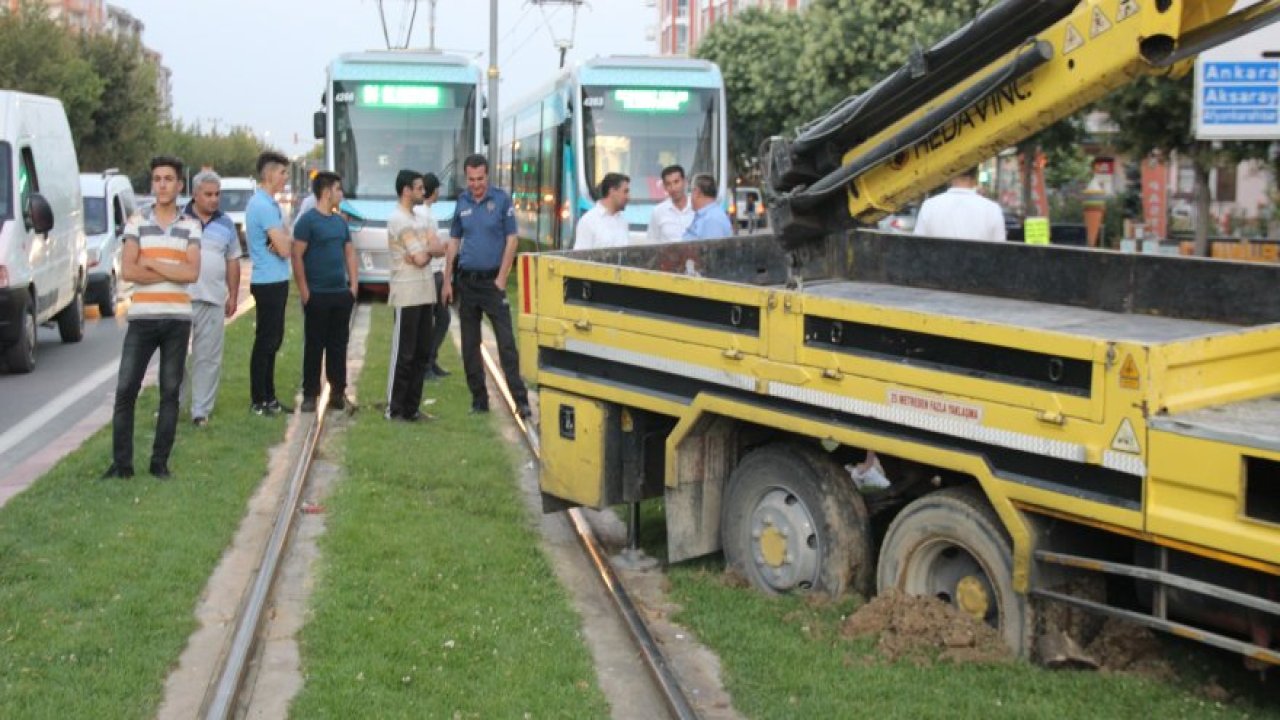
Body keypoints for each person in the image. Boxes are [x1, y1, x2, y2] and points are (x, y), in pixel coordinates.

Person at [103, 156, 201, 480]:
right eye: (157, 179)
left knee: (169, 392)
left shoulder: (190, 226)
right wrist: (169, 269)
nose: (162, 185)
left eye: (168, 179)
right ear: (152, 184)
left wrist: (153, 264)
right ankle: (122, 465)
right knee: (125, 390)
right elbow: (129, 269)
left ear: (179, 185)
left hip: (177, 319)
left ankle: (159, 464)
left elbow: (191, 273)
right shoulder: (136, 222)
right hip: (143, 318)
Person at [443, 153, 531, 418]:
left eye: (480, 179)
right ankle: (479, 401)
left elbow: (512, 240)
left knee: (506, 344)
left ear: (487, 176)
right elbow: (454, 243)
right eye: (471, 179)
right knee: (470, 345)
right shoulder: (461, 202)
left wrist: (502, 277)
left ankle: (521, 400)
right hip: (467, 282)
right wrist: (447, 279)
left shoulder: (501, 200)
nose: (476, 184)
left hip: (493, 283)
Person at [291, 171, 358, 413]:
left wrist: (353, 286)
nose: (341, 194)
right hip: (316, 294)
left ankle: (338, 392)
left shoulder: (340, 222)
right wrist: (305, 291)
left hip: (340, 294)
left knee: (338, 345)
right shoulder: (307, 222)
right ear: (327, 192)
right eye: (338, 189)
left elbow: (349, 252)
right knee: (314, 345)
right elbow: (296, 255)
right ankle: (310, 394)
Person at [181, 171, 241, 427]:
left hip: (213, 298)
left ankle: (200, 411)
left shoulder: (226, 223)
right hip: (180, 299)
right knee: (175, 356)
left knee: (208, 357)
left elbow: (233, 259)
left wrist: (233, 295)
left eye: (218, 194)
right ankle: (173, 405)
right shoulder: (179, 219)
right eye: (208, 194)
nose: (214, 199)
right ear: (195, 195)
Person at [387, 170, 446, 420]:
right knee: (405, 353)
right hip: (407, 292)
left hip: (425, 291)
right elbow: (424, 256)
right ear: (406, 190)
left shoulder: (420, 219)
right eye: (420, 188)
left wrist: (425, 252)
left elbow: (438, 249)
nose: (425, 192)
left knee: (421, 353)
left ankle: (412, 408)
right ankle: (395, 408)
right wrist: (426, 251)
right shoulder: (399, 220)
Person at [246, 150, 294, 416]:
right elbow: (285, 247)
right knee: (265, 340)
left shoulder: (271, 204)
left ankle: (270, 396)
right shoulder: (262, 205)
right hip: (267, 281)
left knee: (274, 340)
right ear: (269, 174)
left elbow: (285, 241)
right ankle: (259, 399)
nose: (285, 178)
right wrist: (282, 241)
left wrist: (282, 241)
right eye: (283, 172)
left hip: (277, 279)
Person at [412, 172, 451, 380]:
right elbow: (429, 244)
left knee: (441, 317)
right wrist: (443, 249)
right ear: (433, 191)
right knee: (437, 319)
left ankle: (430, 360)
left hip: (435, 271)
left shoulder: (425, 212)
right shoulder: (422, 214)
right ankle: (426, 363)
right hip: (431, 272)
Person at [913, 167, 1006, 242]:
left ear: (949, 174)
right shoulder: (992, 210)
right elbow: (1000, 254)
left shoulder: (929, 206)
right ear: (976, 177)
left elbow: (917, 248)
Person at [574, 172, 631, 250]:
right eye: (625, 192)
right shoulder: (588, 221)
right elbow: (580, 256)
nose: (628, 197)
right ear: (612, 191)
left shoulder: (623, 222)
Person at [646, 164, 695, 243]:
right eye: (668, 184)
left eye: (676, 182)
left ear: (685, 182)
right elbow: (652, 242)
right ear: (664, 187)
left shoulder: (697, 207)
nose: (673, 188)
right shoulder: (658, 211)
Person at [682, 173, 734, 241]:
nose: (690, 196)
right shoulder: (707, 215)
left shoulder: (712, 219)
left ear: (697, 192)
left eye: (691, 191)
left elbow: (712, 250)